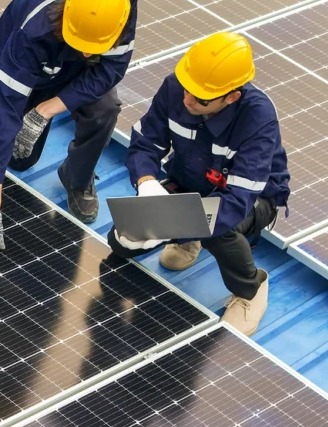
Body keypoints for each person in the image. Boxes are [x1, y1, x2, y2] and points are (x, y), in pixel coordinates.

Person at [107, 32, 290, 336]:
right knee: (121, 243)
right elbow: (145, 143)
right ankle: (188, 236)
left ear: (232, 96)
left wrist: (173, 223)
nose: (187, 100)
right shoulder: (178, 87)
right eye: (186, 89)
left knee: (219, 231)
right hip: (189, 180)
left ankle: (251, 289)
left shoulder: (258, 118)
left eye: (200, 98)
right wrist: (147, 183)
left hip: (250, 199)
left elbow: (235, 203)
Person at [0, 0, 139, 264]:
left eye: (92, 46)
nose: (85, 51)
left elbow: (111, 69)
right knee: (19, 158)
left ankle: (77, 178)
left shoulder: (120, 1)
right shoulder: (32, 34)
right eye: (81, 42)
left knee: (105, 109)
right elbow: (4, 116)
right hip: (33, 65)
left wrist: (46, 110)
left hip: (75, 71)